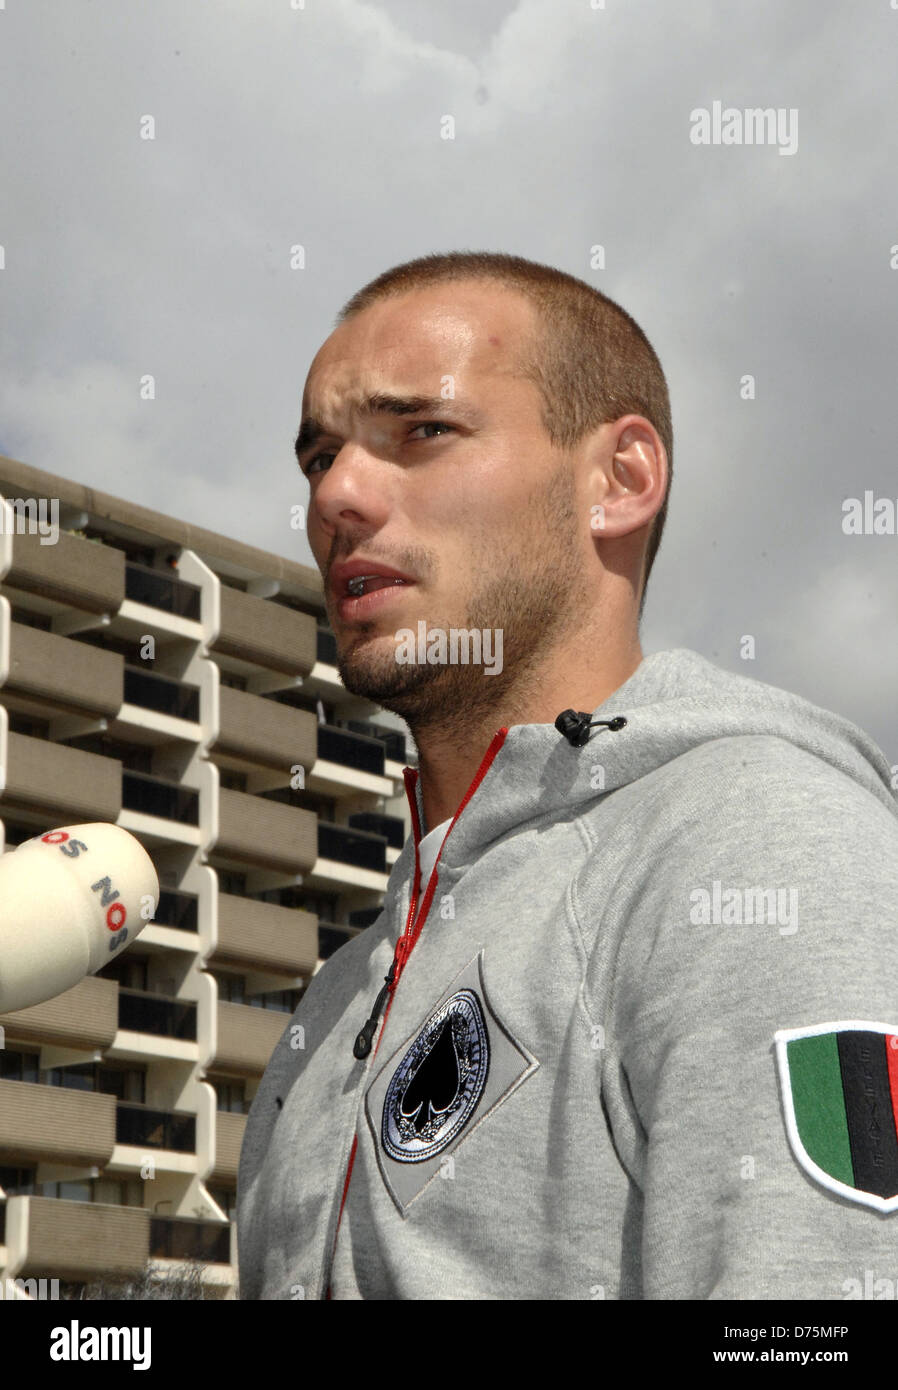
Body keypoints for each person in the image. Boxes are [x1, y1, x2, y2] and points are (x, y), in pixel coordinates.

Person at [236, 251, 898, 1300]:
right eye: (319, 455)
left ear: (618, 480)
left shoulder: (759, 841)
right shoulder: (345, 984)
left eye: (421, 431)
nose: (337, 494)